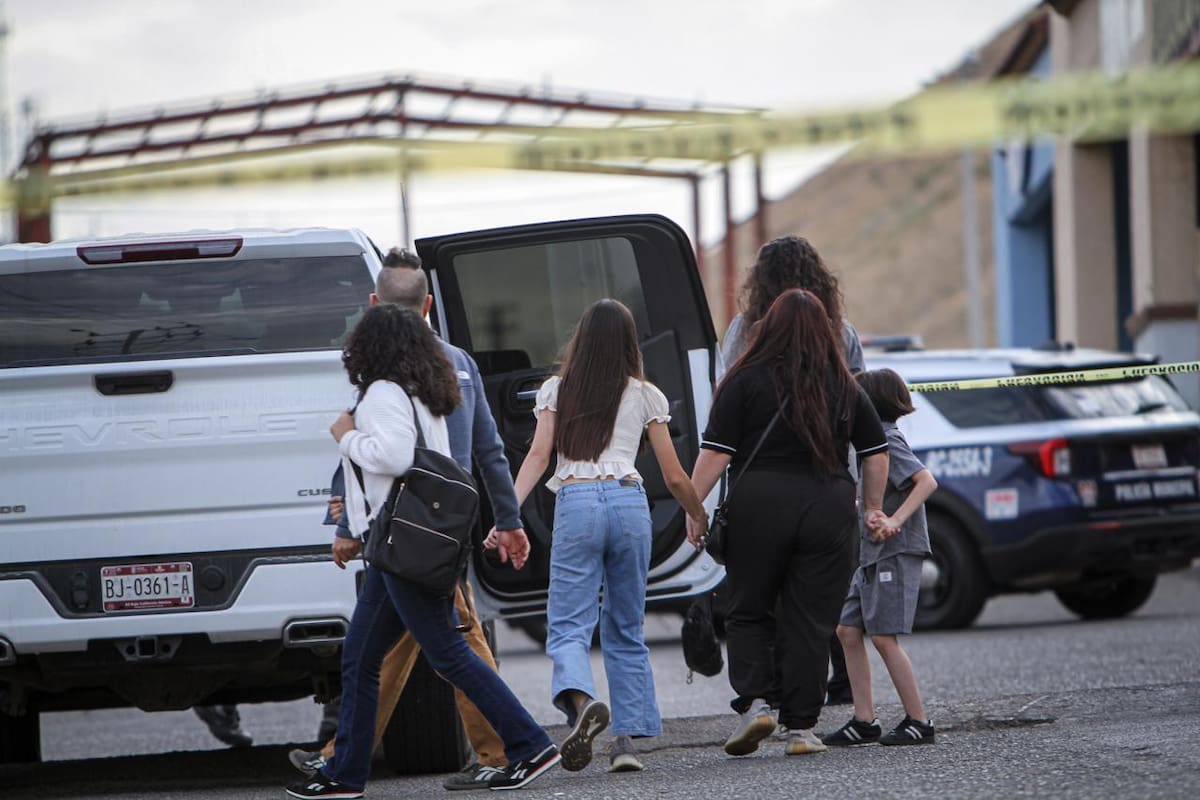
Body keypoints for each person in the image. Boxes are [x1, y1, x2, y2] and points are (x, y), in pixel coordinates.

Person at [284, 305, 558, 800]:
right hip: (401, 545)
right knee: (362, 659)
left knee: (447, 652)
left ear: (371, 347)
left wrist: (346, 438)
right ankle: (344, 775)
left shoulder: (385, 394)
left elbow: (392, 457)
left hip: (399, 543)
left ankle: (531, 744)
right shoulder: (422, 394)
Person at [493, 298, 709, 774]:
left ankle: (581, 702)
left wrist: (505, 516)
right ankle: (625, 744)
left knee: (569, 623)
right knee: (626, 627)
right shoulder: (646, 395)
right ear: (630, 344)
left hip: (579, 502)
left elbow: (537, 457)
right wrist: (698, 514)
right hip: (630, 504)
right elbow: (673, 477)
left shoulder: (556, 389)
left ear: (582, 339)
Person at [686, 288, 890, 758]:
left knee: (749, 607)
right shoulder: (843, 383)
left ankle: (757, 702)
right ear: (825, 330)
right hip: (827, 504)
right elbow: (876, 454)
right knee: (810, 619)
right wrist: (872, 507)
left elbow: (716, 453)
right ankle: (801, 728)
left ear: (769, 327)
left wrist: (693, 510)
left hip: (759, 503)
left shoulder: (744, 380)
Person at [719, 234, 864, 709]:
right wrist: (864, 494)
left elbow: (727, 406)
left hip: (758, 483)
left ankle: (763, 697)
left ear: (760, 282)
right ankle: (814, 706)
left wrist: (699, 506)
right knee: (816, 601)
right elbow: (864, 412)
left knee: (755, 597)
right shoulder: (841, 334)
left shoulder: (744, 330)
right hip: (828, 481)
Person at [822, 368, 937, 747]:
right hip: (871, 554)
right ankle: (864, 719)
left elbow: (926, 481)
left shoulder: (887, 439)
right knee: (846, 629)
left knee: (884, 637)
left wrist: (895, 520)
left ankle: (919, 720)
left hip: (895, 552)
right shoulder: (869, 444)